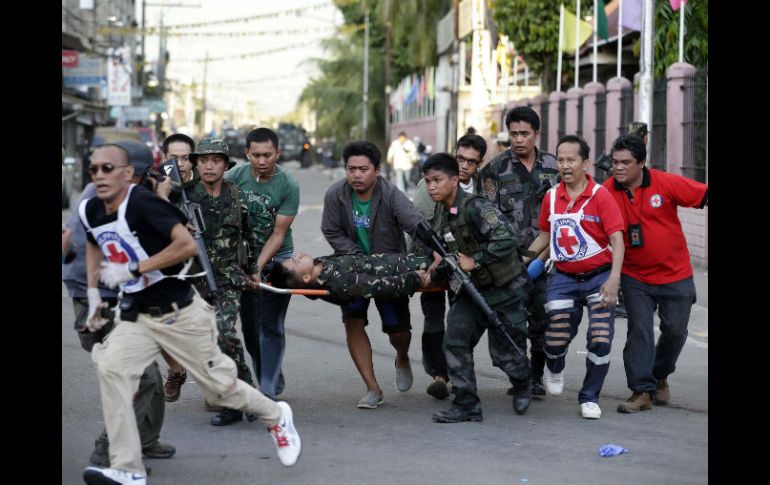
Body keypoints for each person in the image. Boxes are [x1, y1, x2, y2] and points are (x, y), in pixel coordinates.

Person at [79, 140, 301, 484]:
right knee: (113, 369)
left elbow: (185, 244)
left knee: (220, 390)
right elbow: (95, 241)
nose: (99, 175)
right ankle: (127, 468)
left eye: (107, 168)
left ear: (128, 174)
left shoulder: (147, 204)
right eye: (93, 169)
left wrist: (135, 269)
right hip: (138, 315)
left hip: (180, 311)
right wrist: (94, 293)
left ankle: (275, 415)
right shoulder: (92, 208)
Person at [62, 142, 176, 470]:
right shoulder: (113, 199)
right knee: (143, 377)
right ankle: (108, 451)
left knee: (148, 370)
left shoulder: (98, 190)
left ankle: (146, 439)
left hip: (112, 294)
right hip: (96, 300)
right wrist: (163, 197)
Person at [422, 153, 533, 423]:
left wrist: (476, 260)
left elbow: (508, 237)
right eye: (428, 181)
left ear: (455, 179)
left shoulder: (476, 206)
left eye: (437, 180)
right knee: (455, 341)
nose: (431, 187)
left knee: (505, 352)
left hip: (505, 288)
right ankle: (467, 404)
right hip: (472, 291)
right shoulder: (441, 211)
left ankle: (522, 384)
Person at [602, 134, 708, 413]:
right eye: (615, 162)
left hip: (676, 273)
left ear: (641, 164)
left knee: (675, 332)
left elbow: (702, 194)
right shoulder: (607, 190)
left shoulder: (665, 182)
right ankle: (641, 391)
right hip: (634, 276)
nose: (619, 168)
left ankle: (659, 375)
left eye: (626, 162)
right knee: (639, 331)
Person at [525, 135, 625, 419]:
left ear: (585, 163)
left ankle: (590, 396)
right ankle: (554, 366)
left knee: (601, 338)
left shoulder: (600, 196)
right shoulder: (551, 196)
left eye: (571, 160)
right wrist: (522, 265)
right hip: (563, 278)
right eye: (561, 160)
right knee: (554, 339)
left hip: (600, 278)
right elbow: (545, 236)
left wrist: (615, 278)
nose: (565, 165)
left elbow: (617, 241)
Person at [321, 141, 425, 409]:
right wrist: (355, 255)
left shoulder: (391, 195)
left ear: (377, 170)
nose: (356, 175)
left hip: (389, 271)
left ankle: (402, 356)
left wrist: (429, 255)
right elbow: (331, 231)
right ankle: (372, 388)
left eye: (363, 169)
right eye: (351, 169)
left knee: (398, 330)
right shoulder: (336, 195)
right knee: (353, 321)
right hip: (352, 272)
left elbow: (415, 224)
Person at [479, 106, 559, 398]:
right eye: (513, 133)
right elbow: (486, 217)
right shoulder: (495, 169)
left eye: (525, 133)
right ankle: (519, 376)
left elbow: (565, 212)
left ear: (536, 134)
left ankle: (536, 375)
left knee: (542, 321)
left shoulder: (554, 166)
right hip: (509, 262)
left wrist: (543, 255)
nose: (519, 139)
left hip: (547, 259)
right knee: (513, 322)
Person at [185, 138, 264, 426]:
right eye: (203, 160)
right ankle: (238, 397)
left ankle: (241, 396)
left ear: (225, 165)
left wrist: (254, 270)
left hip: (229, 278)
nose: (209, 165)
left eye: (215, 160)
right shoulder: (185, 197)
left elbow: (249, 235)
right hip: (194, 279)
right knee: (207, 344)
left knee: (225, 332)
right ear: (196, 164)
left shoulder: (236, 195)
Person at [410, 133, 488, 400]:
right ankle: (439, 375)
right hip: (429, 259)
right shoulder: (430, 185)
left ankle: (458, 374)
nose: (465, 165)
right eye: (460, 159)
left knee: (460, 319)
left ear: (479, 164)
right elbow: (420, 226)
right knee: (433, 318)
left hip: (462, 264)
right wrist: (436, 259)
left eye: (471, 162)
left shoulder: (480, 190)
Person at [225, 127, 300, 400]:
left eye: (267, 154)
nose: (262, 160)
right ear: (247, 153)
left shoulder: (288, 184)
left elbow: (279, 234)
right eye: (255, 155)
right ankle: (269, 372)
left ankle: (267, 387)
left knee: (270, 323)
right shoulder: (234, 177)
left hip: (278, 259)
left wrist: (258, 266)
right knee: (249, 327)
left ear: (277, 153)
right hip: (243, 260)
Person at [158, 133, 196, 402]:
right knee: (160, 325)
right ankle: (176, 369)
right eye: (174, 158)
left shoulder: (206, 186)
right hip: (166, 266)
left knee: (210, 329)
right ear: (163, 159)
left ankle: (213, 386)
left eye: (185, 158)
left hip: (203, 267)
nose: (180, 164)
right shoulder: (152, 188)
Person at [270, 252, 434, 302]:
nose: (297, 255)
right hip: (411, 269)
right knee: (450, 263)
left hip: (402, 258)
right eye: (295, 261)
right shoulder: (338, 283)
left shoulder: (319, 264)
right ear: (306, 278)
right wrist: (414, 278)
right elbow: (378, 286)